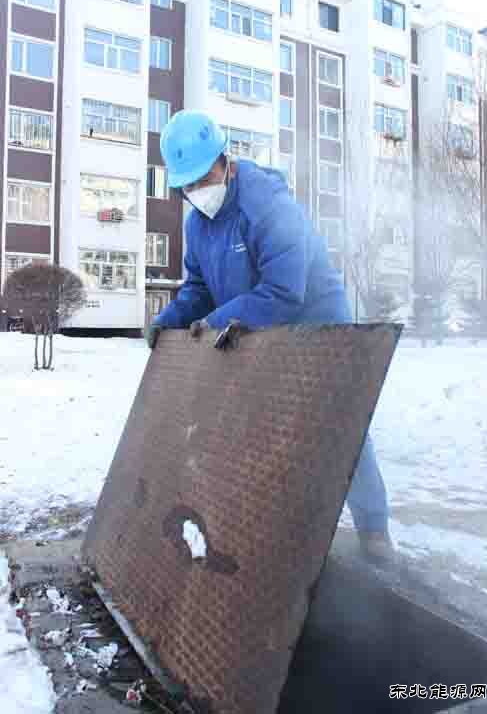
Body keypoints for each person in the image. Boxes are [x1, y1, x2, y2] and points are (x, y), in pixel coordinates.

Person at [146, 110, 393, 562]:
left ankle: (374, 531)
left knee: (340, 426)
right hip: (250, 327)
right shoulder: (197, 224)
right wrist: (171, 319)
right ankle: (287, 533)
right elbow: (198, 288)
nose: (198, 191)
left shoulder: (267, 203)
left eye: (204, 178)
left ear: (225, 162)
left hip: (317, 326)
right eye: (188, 185)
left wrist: (217, 320)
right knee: (267, 426)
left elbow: (284, 290)